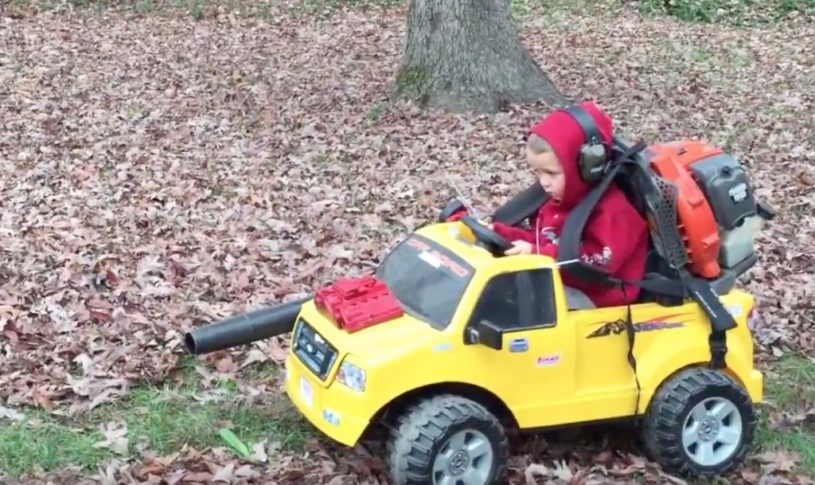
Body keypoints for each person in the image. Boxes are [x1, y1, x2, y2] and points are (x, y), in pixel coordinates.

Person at [490, 101, 649, 310]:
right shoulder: (557, 199)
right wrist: (498, 234)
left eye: (551, 173)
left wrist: (536, 254)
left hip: (598, 298)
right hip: (561, 279)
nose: (544, 182)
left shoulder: (613, 212)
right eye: (538, 172)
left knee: (511, 305)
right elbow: (543, 241)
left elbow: (595, 266)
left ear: (588, 166)